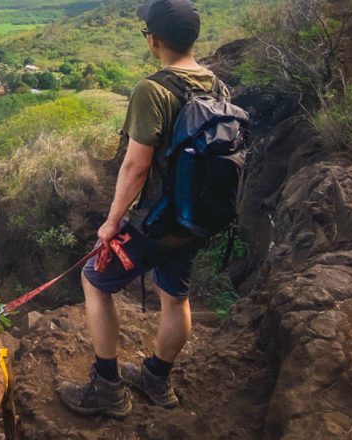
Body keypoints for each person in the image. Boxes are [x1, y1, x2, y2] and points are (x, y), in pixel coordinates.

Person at [58, 0, 230, 417]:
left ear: (153, 40)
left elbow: (136, 166)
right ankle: (156, 378)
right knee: (175, 297)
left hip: (156, 221)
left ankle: (107, 387)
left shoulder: (152, 90)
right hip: (197, 220)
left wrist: (111, 223)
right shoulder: (216, 85)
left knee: (95, 280)